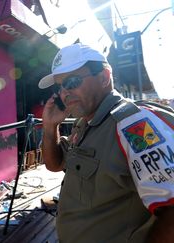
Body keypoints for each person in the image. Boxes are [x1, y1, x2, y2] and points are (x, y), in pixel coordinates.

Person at [38, 43, 174, 243]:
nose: (64, 93)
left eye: (72, 81)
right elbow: (55, 164)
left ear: (104, 77)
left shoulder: (133, 125)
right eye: (60, 86)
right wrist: (50, 126)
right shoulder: (84, 123)